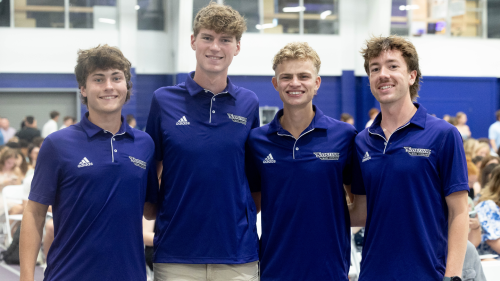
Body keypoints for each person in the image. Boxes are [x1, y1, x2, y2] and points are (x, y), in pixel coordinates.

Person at [19, 45, 158, 281]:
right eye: (98, 79)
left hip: (130, 275)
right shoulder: (57, 144)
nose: (109, 86)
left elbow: (151, 209)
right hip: (69, 275)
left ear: (127, 87)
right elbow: (34, 213)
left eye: (116, 78)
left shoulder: (145, 144)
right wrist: (26, 278)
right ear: (83, 89)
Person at [145, 3, 260, 280]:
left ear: (237, 47)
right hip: (176, 254)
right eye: (207, 37)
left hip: (237, 254)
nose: (215, 47)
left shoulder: (248, 103)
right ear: (193, 41)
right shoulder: (163, 100)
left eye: (225, 40)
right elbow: (151, 169)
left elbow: (254, 179)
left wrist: (238, 217)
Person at [349, 35, 469, 281]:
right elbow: (361, 212)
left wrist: (453, 276)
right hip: (373, 274)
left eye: (393, 66)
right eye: (375, 68)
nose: (383, 74)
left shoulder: (443, 135)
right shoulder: (362, 141)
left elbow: (459, 212)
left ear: (412, 75)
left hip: (427, 274)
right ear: (370, 79)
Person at [246, 42, 357, 280]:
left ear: (316, 83)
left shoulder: (344, 136)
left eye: (304, 76)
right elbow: (253, 204)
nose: (295, 83)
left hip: (330, 269)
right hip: (275, 268)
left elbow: (357, 202)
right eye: (286, 77)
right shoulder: (257, 140)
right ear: (276, 84)